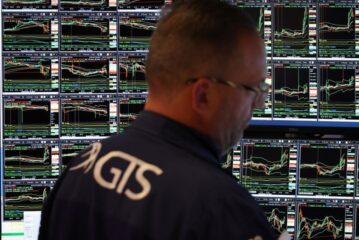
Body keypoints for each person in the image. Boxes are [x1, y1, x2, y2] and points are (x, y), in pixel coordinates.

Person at [39, 0, 280, 239]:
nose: (258, 103)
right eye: (253, 89)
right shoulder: (219, 209)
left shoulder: (79, 170)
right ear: (204, 95)